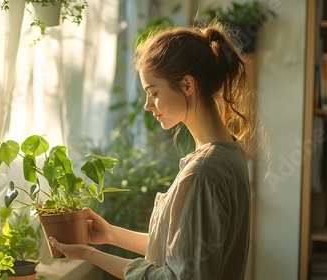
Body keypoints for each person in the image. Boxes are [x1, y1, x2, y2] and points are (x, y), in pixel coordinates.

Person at [49, 20, 258, 280]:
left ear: (187, 85)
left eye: (153, 91)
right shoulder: (229, 151)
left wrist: (89, 254)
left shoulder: (204, 170)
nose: (148, 105)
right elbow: (181, 253)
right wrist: (111, 235)